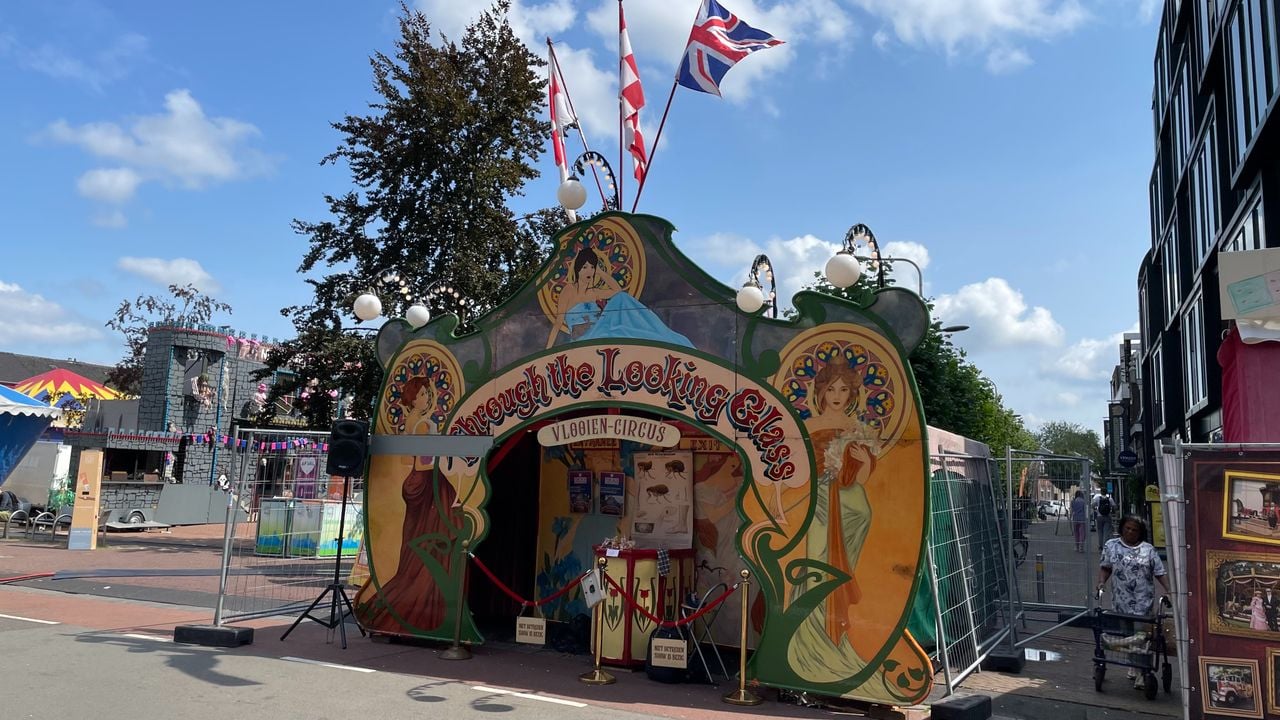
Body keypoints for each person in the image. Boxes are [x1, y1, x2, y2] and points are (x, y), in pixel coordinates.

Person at [786, 360, 879, 679]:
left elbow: (864, 478)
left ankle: (832, 638)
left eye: (844, 389)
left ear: (853, 393)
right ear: (820, 391)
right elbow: (794, 467)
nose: (837, 395)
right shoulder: (809, 427)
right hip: (819, 499)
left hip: (849, 499)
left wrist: (863, 461)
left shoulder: (860, 428)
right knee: (816, 562)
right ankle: (808, 641)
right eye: (831, 389)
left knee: (862, 516)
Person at [358, 375, 461, 634]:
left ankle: (408, 593)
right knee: (440, 534)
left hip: (413, 482)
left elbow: (407, 459)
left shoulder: (409, 423)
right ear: (413, 398)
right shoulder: (425, 425)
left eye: (428, 394)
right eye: (423, 394)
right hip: (428, 483)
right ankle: (423, 599)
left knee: (416, 538)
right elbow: (425, 462)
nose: (427, 398)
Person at [546, 247, 692, 348]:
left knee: (621, 299)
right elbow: (559, 322)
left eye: (591, 267)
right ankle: (654, 333)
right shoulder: (569, 290)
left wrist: (601, 273)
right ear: (577, 269)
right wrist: (547, 350)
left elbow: (618, 291)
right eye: (584, 267)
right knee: (621, 330)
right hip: (584, 338)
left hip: (601, 332)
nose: (588, 271)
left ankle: (660, 333)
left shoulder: (595, 292)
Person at [1097, 515, 1170, 688]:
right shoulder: (1111, 546)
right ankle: (1133, 667)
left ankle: (1140, 674)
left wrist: (1169, 590)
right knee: (1127, 636)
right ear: (1122, 528)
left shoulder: (1148, 549)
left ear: (1140, 533)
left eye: (1134, 530)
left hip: (1142, 602)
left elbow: (1159, 572)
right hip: (1121, 601)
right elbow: (1106, 568)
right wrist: (1101, 583)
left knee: (1139, 638)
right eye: (1127, 528)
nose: (1130, 532)